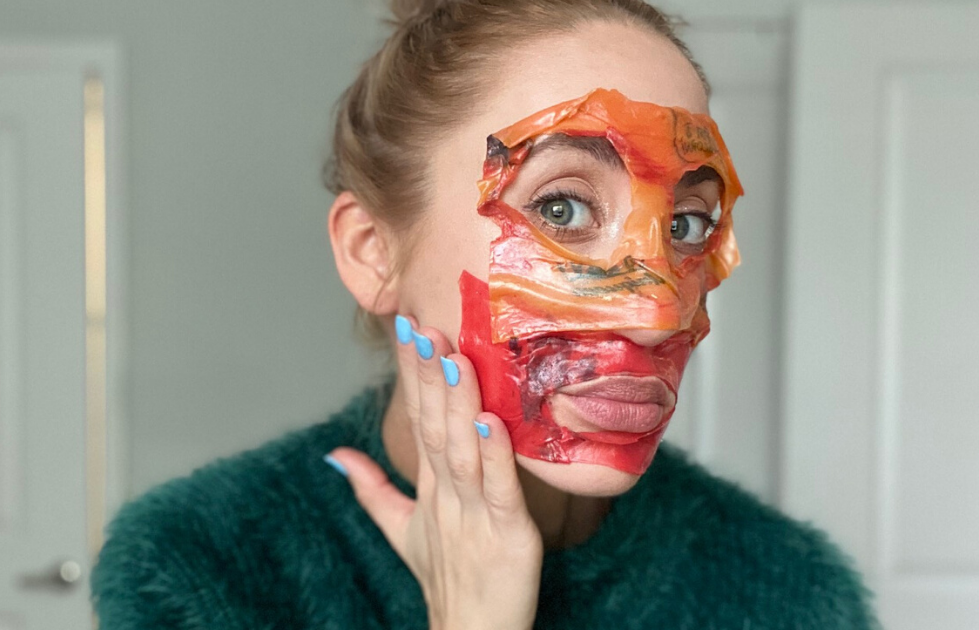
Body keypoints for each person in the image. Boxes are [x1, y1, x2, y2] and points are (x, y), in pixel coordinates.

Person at [91, 1, 879, 628]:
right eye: (562, 207)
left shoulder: (792, 593)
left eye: (687, 225)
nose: (656, 313)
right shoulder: (198, 566)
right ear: (373, 251)